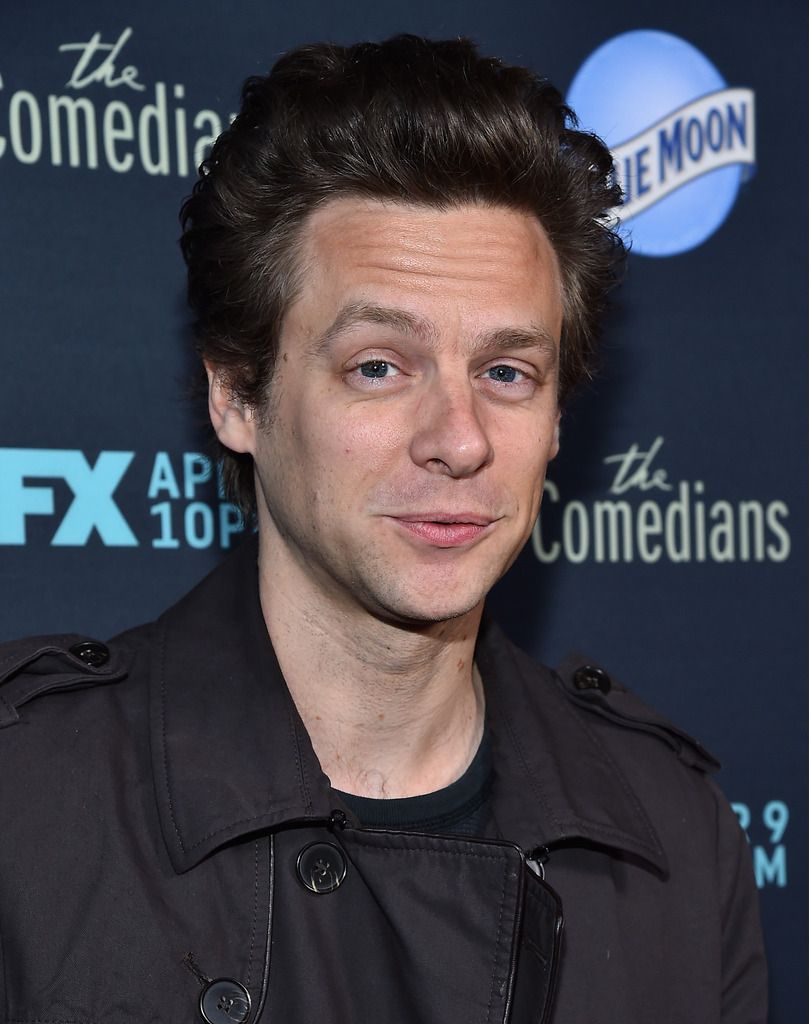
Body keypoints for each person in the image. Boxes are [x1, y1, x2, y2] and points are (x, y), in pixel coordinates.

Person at [0, 35, 766, 1024]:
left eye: (505, 373)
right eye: (378, 366)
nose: (457, 440)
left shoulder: (672, 835)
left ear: (556, 419)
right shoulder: (27, 805)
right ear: (237, 396)